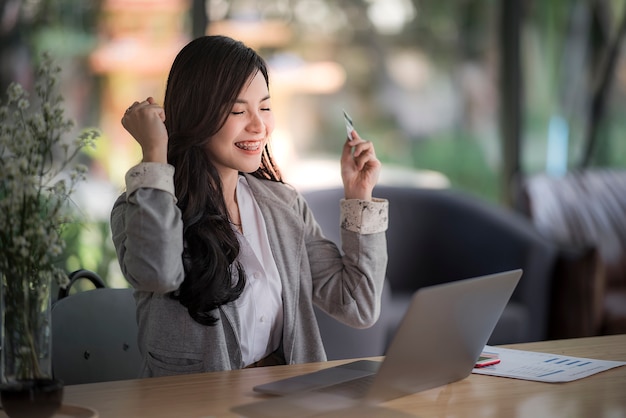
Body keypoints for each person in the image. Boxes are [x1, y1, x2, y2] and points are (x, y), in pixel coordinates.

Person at [110, 35, 389, 377]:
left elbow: (357, 305)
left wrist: (359, 196)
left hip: (285, 399)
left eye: (266, 107)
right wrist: (155, 152)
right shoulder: (145, 207)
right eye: (238, 111)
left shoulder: (283, 205)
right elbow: (156, 272)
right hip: (194, 407)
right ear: (197, 114)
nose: (258, 126)